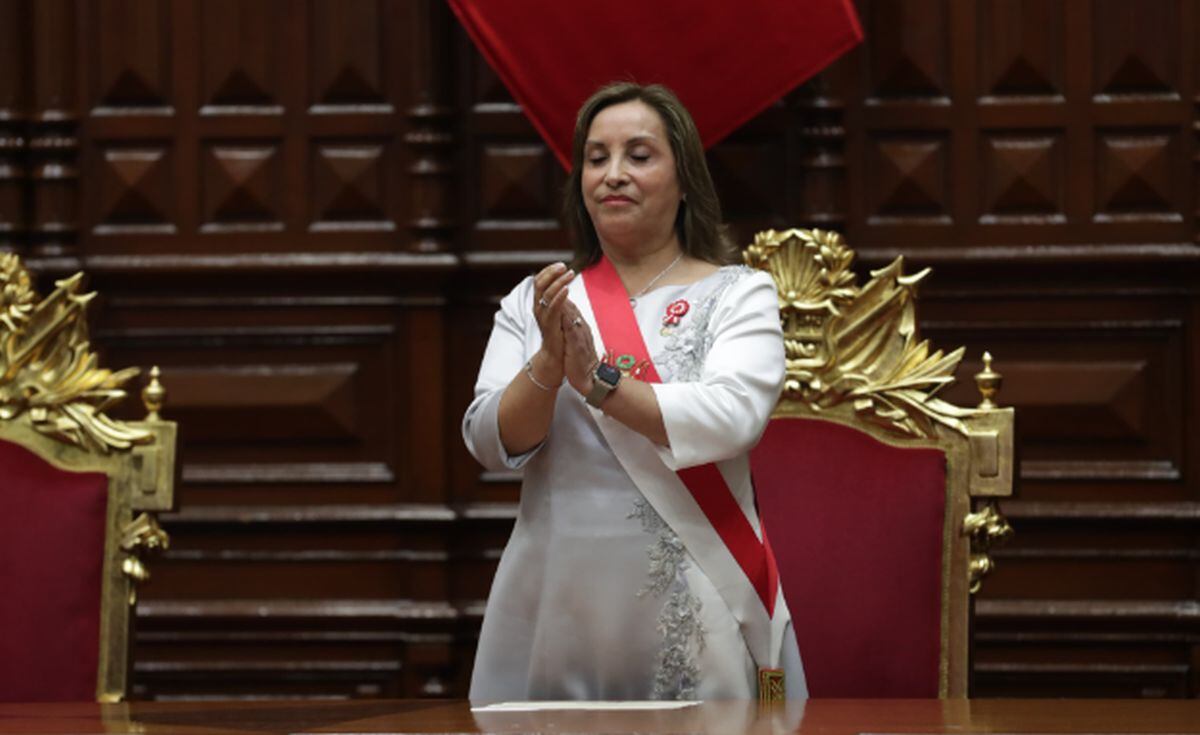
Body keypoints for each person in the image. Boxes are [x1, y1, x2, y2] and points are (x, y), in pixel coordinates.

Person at [463, 82, 806, 701]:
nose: (613, 175)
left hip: (697, 595)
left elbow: (733, 418)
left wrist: (600, 383)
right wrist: (547, 360)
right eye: (596, 158)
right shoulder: (538, 301)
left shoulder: (738, 294)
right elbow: (489, 440)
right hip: (556, 598)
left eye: (639, 156)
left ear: (684, 180)